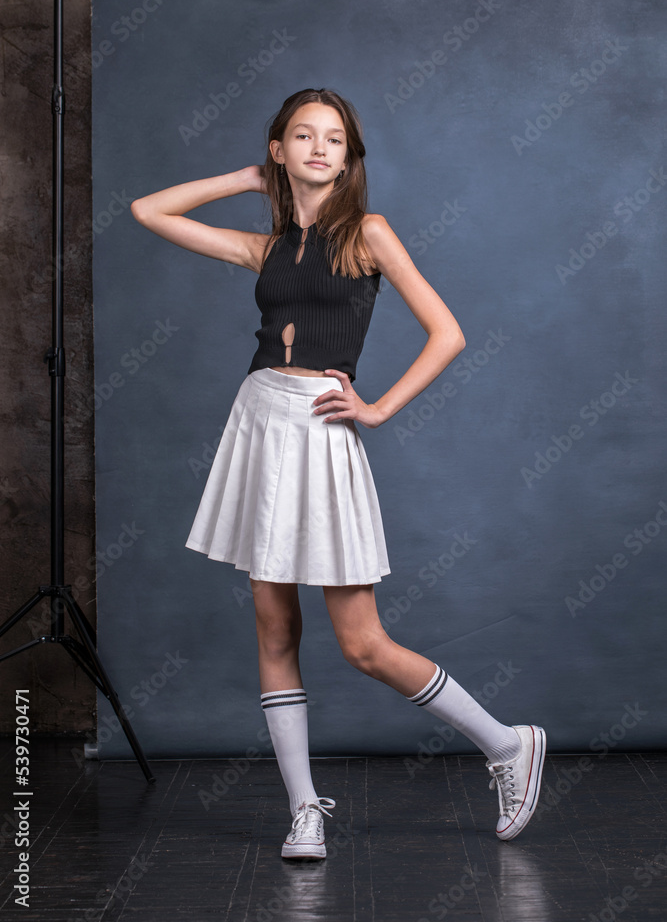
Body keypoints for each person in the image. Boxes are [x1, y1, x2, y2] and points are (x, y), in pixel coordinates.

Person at [130, 87, 546, 860]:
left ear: (349, 158)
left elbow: (447, 332)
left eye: (334, 139)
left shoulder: (368, 234)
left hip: (319, 434)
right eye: (302, 136)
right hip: (257, 423)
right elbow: (148, 211)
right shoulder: (265, 247)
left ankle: (506, 743)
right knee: (273, 625)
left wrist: (380, 408)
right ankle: (304, 813)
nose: (319, 148)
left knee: (360, 641)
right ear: (280, 148)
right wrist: (245, 179)